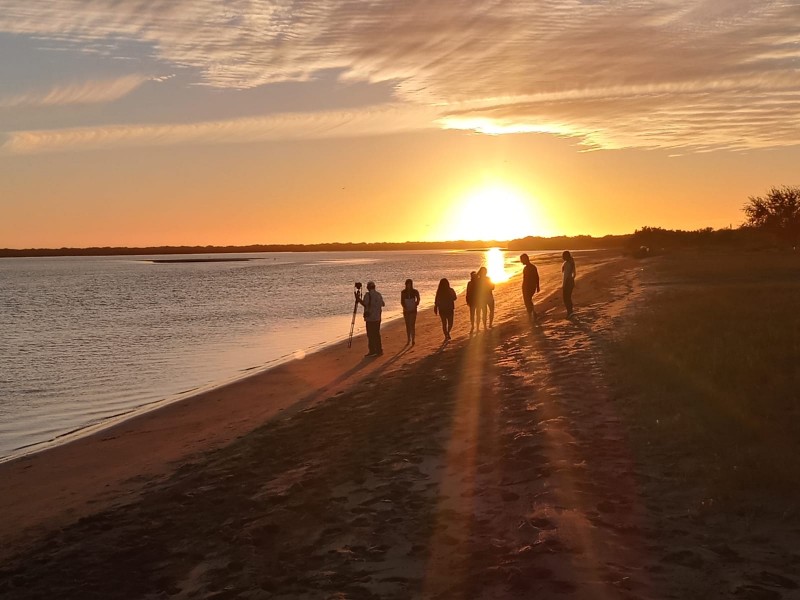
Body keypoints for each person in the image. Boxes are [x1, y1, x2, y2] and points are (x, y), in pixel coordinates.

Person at [357, 280, 385, 356]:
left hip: (370, 318)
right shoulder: (378, 295)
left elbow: (365, 304)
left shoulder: (367, 295)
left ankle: (372, 350)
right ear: (374, 287)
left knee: (370, 334)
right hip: (377, 318)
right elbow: (383, 304)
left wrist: (358, 299)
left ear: (368, 288)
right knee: (376, 334)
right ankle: (379, 350)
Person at [520, 253, 540, 323]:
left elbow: (535, 277)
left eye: (522, 260)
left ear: (525, 259)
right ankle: (533, 314)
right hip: (531, 286)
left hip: (528, 287)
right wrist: (537, 286)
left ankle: (530, 316)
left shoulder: (529, 268)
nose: (521, 261)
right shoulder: (531, 267)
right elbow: (537, 277)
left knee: (527, 301)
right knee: (529, 300)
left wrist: (538, 286)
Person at [400, 278, 420, 345]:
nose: (408, 286)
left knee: (412, 324)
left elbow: (418, 299)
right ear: (406, 285)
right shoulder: (403, 292)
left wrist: (416, 304)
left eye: (410, 284)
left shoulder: (415, 291)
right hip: (406, 310)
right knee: (407, 325)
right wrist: (405, 307)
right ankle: (408, 339)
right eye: (407, 284)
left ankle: (413, 339)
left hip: (413, 310)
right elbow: (402, 301)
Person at [562, 250, 576, 318]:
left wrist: (564, 284)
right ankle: (570, 311)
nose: (562, 257)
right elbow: (574, 273)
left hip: (568, 282)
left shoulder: (568, 263)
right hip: (570, 282)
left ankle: (569, 312)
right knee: (568, 298)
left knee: (566, 298)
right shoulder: (570, 262)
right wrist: (572, 279)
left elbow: (566, 275)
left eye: (563, 256)